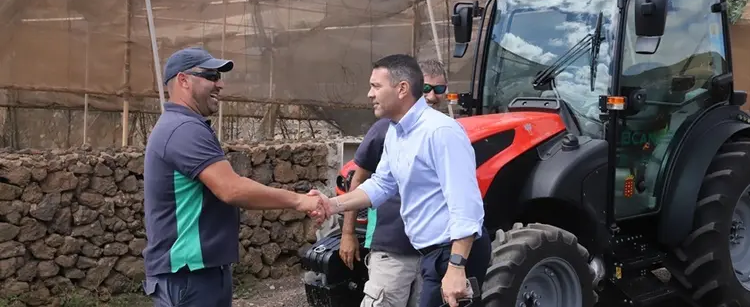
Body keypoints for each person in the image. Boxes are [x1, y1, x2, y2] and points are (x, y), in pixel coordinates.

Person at [141, 47, 325, 307]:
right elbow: (231, 189)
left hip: (197, 273)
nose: (220, 84)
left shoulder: (183, 126)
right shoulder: (183, 130)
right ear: (183, 80)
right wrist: (298, 201)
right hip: (188, 276)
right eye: (211, 76)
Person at [308, 54, 490, 307]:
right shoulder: (396, 132)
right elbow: (381, 185)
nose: (370, 94)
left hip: (453, 252)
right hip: (430, 253)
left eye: (376, 86)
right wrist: (331, 204)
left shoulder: (441, 132)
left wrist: (457, 268)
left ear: (402, 88)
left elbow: (467, 207)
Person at [338, 59, 450, 307]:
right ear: (408, 88)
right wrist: (347, 232)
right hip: (393, 249)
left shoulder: (445, 132)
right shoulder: (385, 131)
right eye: (427, 89)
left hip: (432, 254)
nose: (432, 96)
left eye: (439, 90)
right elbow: (361, 180)